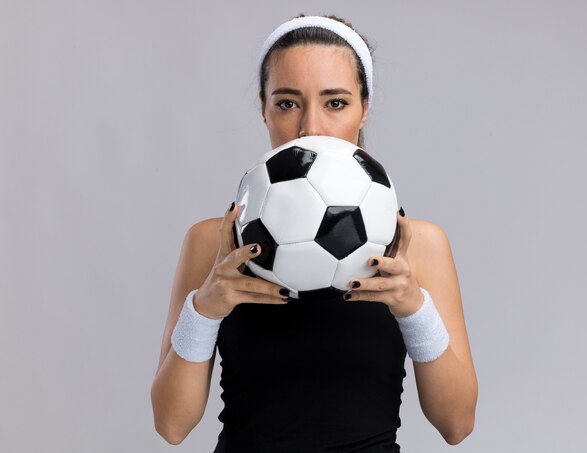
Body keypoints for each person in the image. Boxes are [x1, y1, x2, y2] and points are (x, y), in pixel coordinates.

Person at [151, 14, 478, 452]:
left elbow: (456, 425)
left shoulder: (418, 246)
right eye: (287, 103)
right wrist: (205, 310)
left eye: (335, 102)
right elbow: (171, 425)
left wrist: (414, 308)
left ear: (365, 108)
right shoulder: (215, 242)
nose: (310, 128)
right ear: (263, 109)